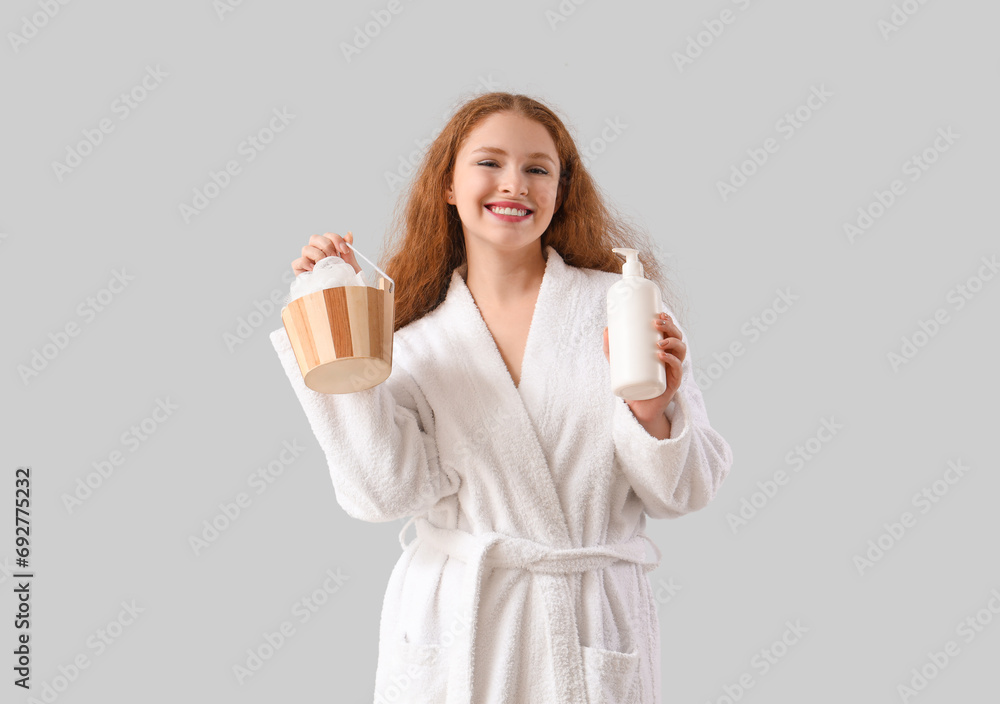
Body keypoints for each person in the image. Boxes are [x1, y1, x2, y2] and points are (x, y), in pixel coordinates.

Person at [269, 92, 733, 704]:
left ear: (560, 192)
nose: (514, 183)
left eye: (538, 168)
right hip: (458, 626)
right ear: (448, 185)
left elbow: (688, 490)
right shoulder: (414, 341)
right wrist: (339, 315)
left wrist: (652, 414)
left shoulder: (623, 306)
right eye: (489, 163)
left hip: (588, 621)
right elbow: (383, 493)